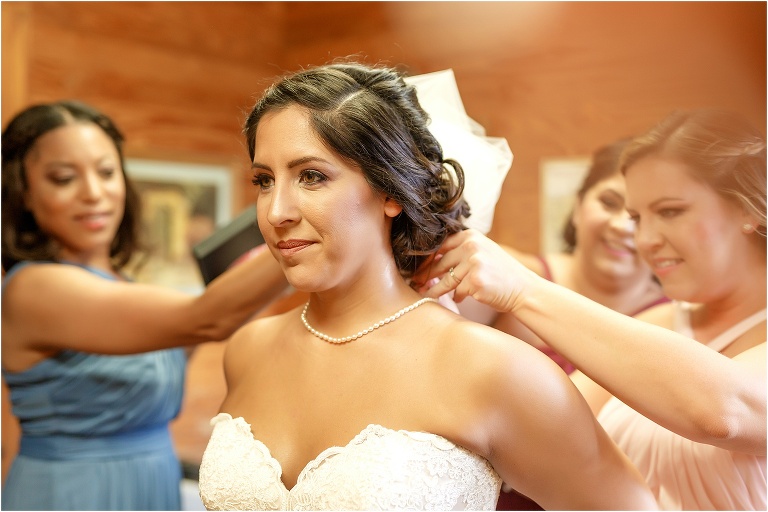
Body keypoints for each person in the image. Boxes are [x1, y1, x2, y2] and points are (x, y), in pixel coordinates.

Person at [196, 61, 658, 510]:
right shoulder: (247, 351)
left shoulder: (493, 369)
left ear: (390, 191)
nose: (276, 212)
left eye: (312, 176)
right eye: (264, 181)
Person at [422, 108, 766, 510]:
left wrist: (523, 290)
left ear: (747, 208)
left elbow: (726, 412)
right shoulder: (661, 322)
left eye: (670, 211)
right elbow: (547, 428)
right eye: (639, 217)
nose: (645, 238)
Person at [1, 100, 290, 510]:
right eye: (64, 178)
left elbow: (195, 332)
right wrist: (312, 229)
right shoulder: (33, 288)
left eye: (106, 172)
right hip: (73, 492)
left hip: (152, 482)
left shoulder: (124, 283)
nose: (93, 193)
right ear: (24, 194)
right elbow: (206, 319)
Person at [463, 138, 667, 377]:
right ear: (577, 207)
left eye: (639, 217)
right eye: (609, 202)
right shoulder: (508, 274)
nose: (622, 226)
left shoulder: (675, 320)